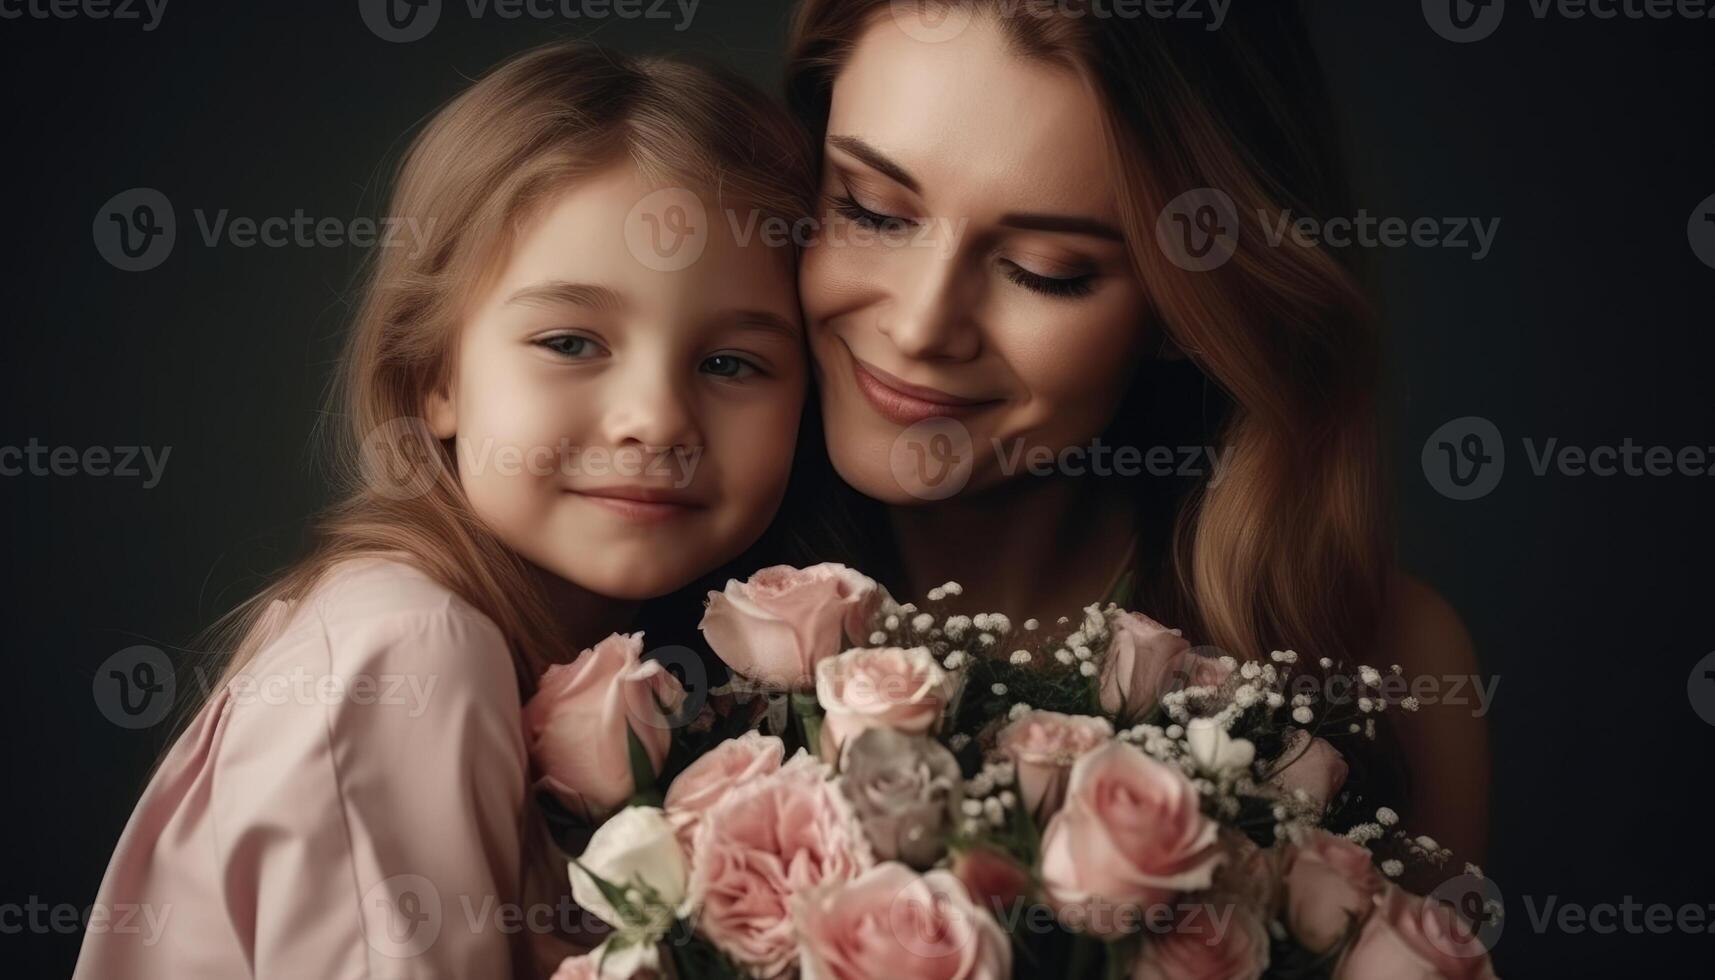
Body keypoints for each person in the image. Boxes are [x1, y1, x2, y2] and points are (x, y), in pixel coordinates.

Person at [73, 40, 815, 979]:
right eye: (571, 341)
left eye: (729, 364)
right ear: (433, 376)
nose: (655, 419)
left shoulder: (600, 683)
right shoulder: (414, 648)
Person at [785, 0, 1490, 864]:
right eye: (872, 212)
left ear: (1184, 308)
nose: (924, 326)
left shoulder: (1392, 661)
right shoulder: (632, 598)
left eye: (1047, 272)